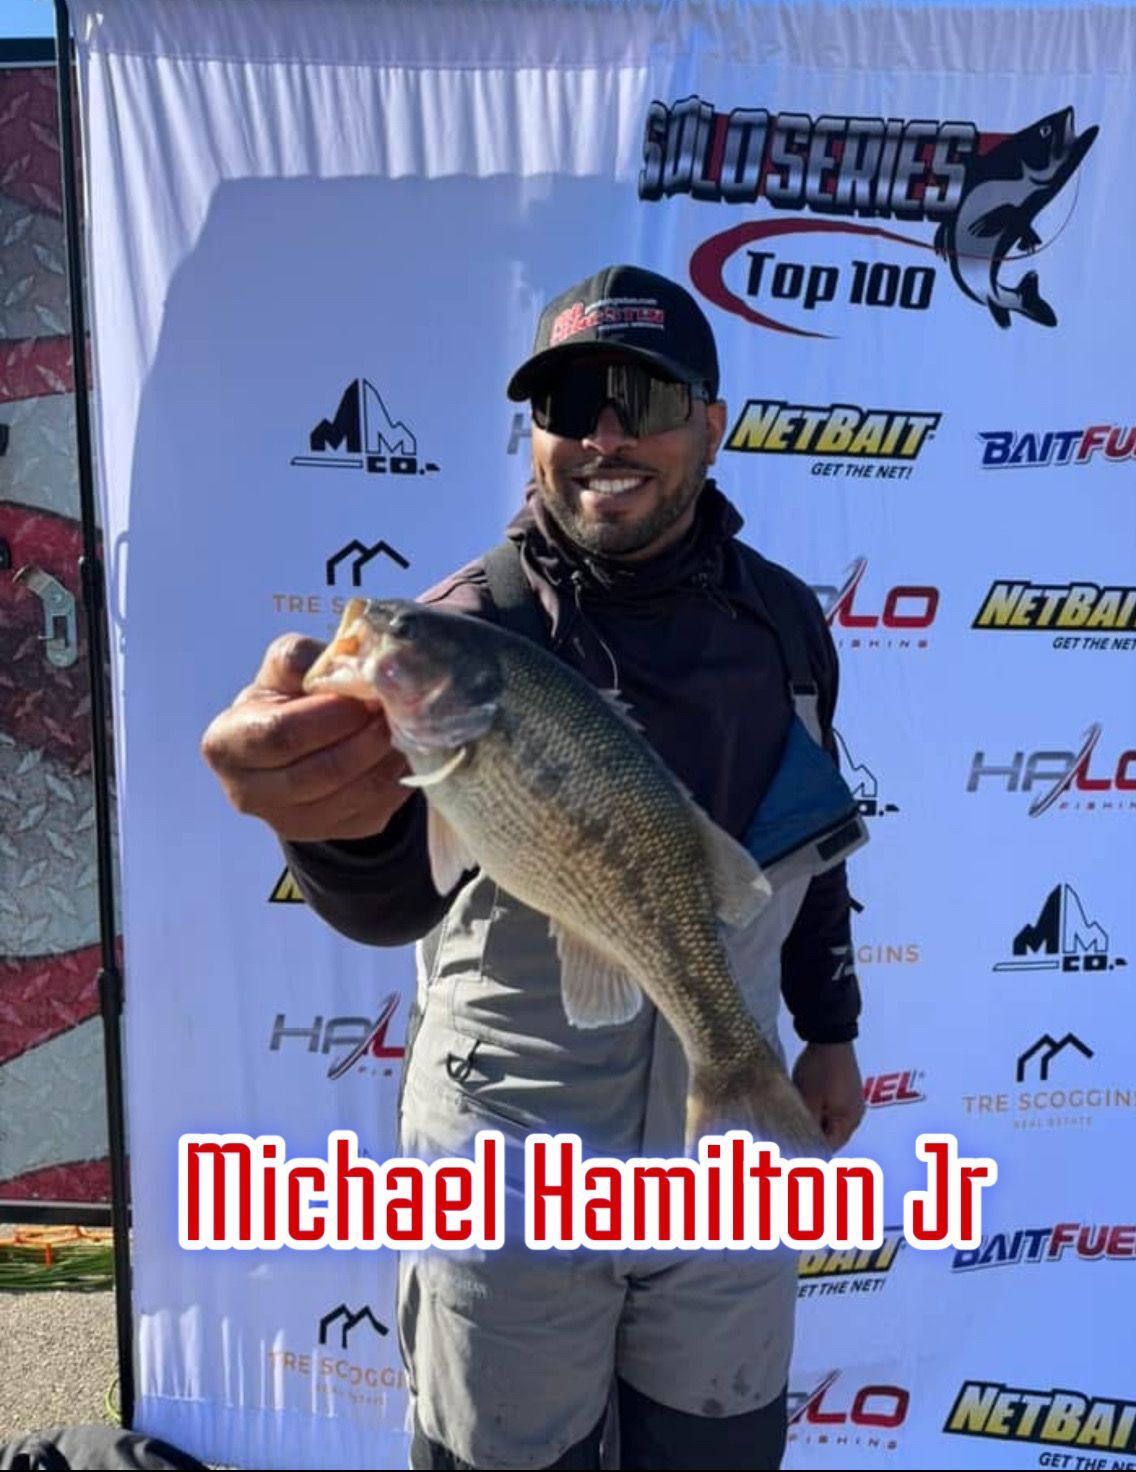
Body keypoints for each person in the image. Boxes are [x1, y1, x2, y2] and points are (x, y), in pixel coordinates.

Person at [201, 264, 867, 1472]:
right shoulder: (465, 625)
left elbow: (812, 851)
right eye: (568, 404)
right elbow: (390, 890)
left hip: (725, 1147)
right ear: (537, 435)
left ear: (712, 425)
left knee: (717, 1444)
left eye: (643, 399)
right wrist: (326, 825)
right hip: (511, 1155)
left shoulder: (786, 621)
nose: (605, 435)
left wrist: (830, 1028)